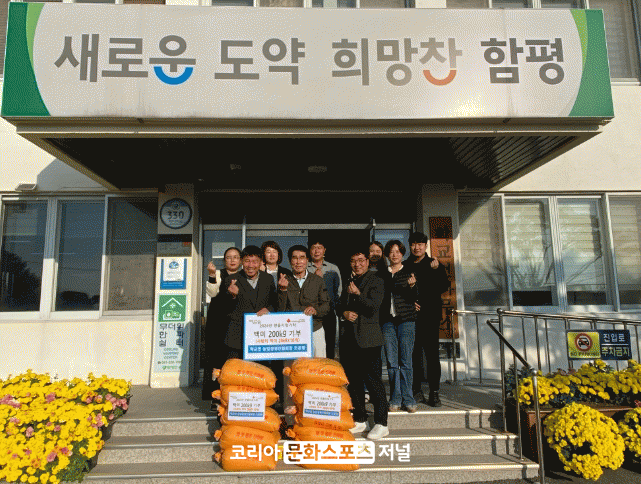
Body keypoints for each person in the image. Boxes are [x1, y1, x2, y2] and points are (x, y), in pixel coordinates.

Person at [338, 248, 389, 440]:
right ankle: (360, 418)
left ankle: (382, 423)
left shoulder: (377, 280)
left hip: (369, 340)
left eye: (360, 260)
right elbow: (340, 305)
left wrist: (358, 293)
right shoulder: (349, 281)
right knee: (354, 382)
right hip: (349, 339)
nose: (357, 264)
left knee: (373, 382)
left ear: (367, 261)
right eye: (353, 261)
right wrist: (344, 313)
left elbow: (373, 308)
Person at [407, 232, 449, 407]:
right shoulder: (405, 265)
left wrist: (436, 271)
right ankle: (416, 390)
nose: (417, 247)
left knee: (432, 356)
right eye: (413, 244)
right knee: (414, 356)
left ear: (425, 246)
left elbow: (444, 286)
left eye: (420, 244)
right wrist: (410, 302)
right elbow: (400, 291)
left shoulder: (434, 264)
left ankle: (434, 392)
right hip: (411, 318)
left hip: (430, 317)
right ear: (410, 246)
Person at [219, 245, 277, 361]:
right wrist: (232, 296)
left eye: (255, 261)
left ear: (261, 262)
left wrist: (268, 309)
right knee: (235, 370)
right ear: (242, 261)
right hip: (236, 340)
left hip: (261, 338)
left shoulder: (268, 279)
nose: (250, 265)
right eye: (247, 261)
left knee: (261, 371)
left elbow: (275, 302)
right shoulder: (230, 280)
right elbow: (222, 309)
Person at [380, 240, 418, 413]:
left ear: (402, 254)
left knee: (406, 361)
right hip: (387, 321)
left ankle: (408, 399)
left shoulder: (410, 272)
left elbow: (417, 295)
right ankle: (395, 398)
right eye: (391, 252)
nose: (394, 255)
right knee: (392, 361)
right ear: (387, 255)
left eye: (398, 251)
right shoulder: (382, 274)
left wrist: (413, 286)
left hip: (406, 320)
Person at [202, 247, 241, 402]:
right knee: (216, 358)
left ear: (240, 260)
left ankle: (233, 394)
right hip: (218, 322)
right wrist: (212, 275)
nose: (232, 260)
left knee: (233, 358)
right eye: (229, 257)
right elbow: (212, 293)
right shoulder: (218, 274)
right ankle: (215, 395)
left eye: (235, 257)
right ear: (224, 260)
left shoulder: (244, 275)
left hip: (235, 321)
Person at [277, 245, 331, 357]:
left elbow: (326, 306)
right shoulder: (283, 281)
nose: (298, 262)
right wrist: (282, 290)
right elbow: (279, 309)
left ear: (307, 260)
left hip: (315, 329)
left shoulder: (318, 280)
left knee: (319, 364)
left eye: (302, 258)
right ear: (290, 261)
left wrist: (315, 310)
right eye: (294, 258)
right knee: (293, 365)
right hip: (291, 331)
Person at [308, 239, 342, 360]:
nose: (316, 251)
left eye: (319, 248)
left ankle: (329, 369)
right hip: (310, 313)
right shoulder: (305, 267)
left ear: (324, 250)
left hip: (328, 312)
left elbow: (338, 291)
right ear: (310, 250)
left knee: (329, 344)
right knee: (312, 346)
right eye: (314, 247)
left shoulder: (333, 268)